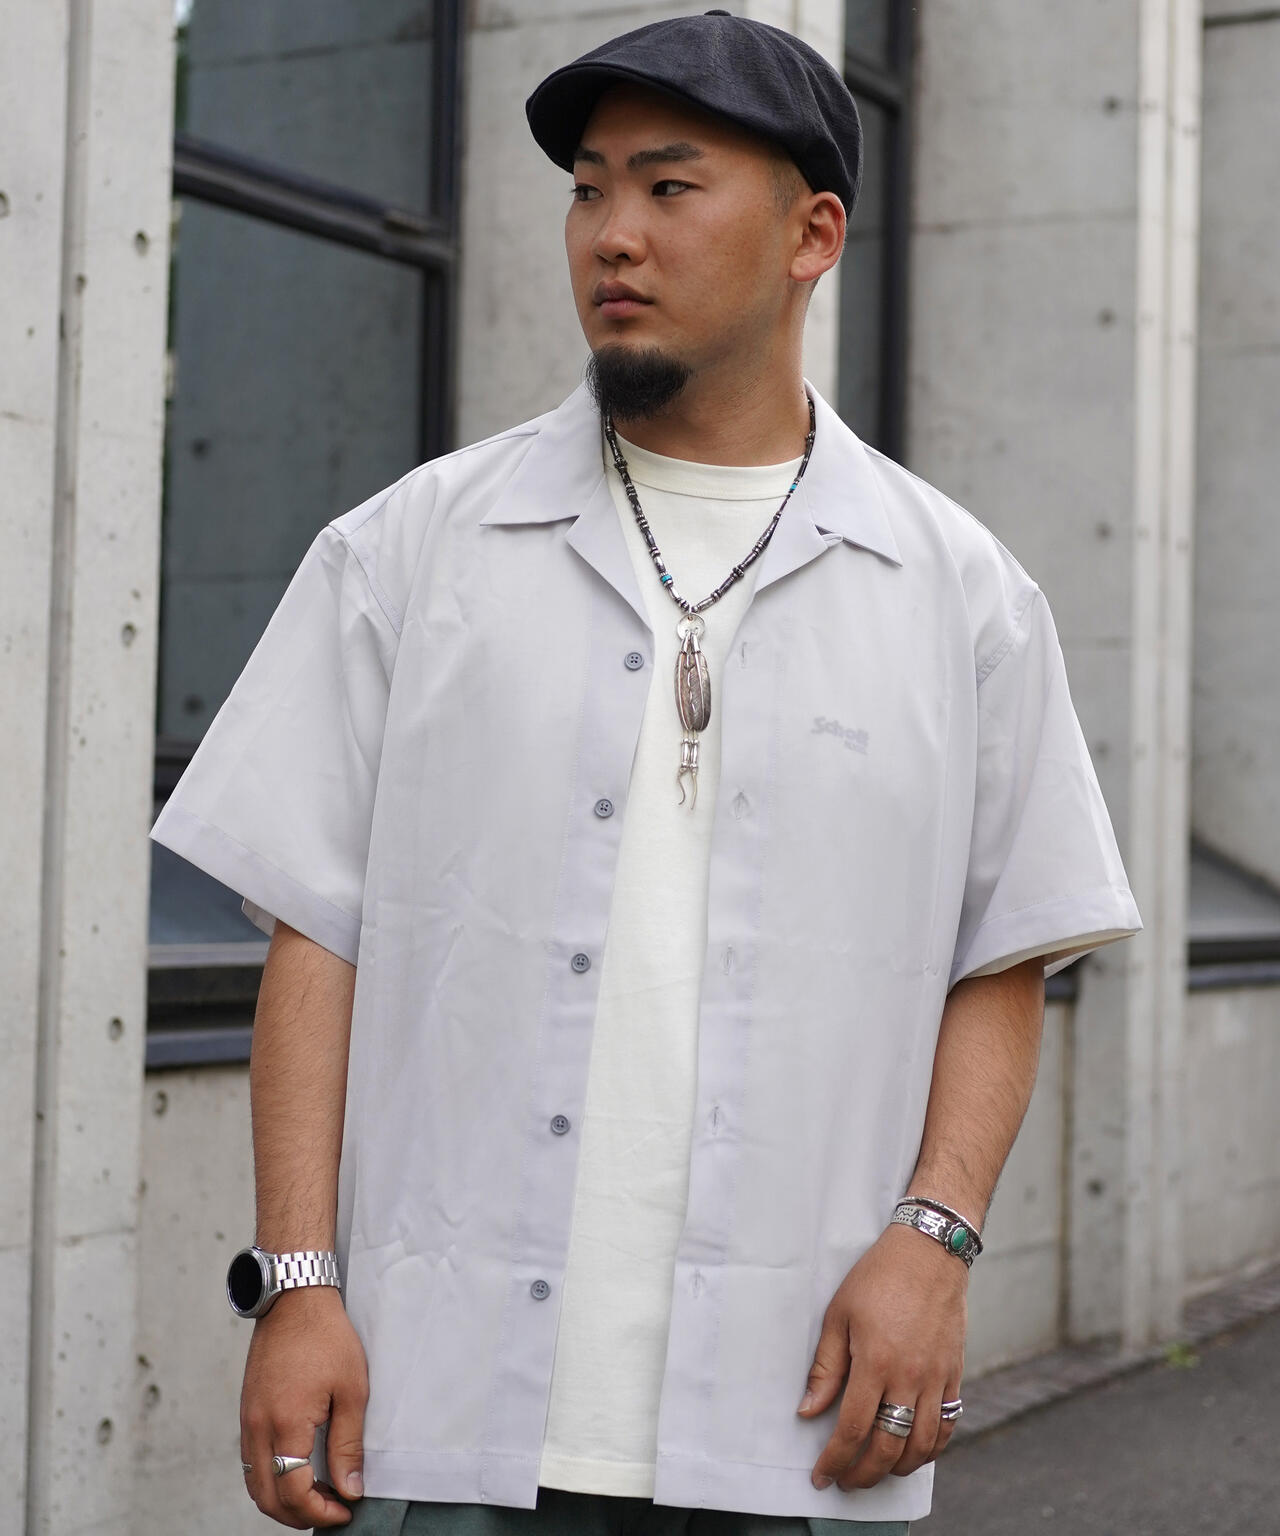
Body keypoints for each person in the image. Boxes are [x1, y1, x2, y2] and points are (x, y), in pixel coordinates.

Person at [150, 11, 1142, 1535]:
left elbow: (1003, 952)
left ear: (813, 235)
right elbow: (315, 931)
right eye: (587, 190)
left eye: (669, 188)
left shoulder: (960, 597)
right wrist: (298, 1284)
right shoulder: (410, 551)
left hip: (793, 1417)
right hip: (443, 1405)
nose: (612, 235)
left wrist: (935, 1239)